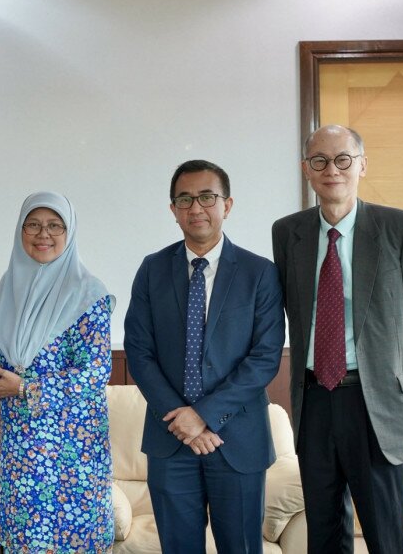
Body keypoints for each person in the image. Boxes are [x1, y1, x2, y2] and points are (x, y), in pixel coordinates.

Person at [272, 124, 403, 554]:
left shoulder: (401, 227)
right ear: (306, 170)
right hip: (314, 401)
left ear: (362, 164)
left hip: (377, 402)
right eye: (320, 160)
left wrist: (392, 379)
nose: (333, 169)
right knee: (324, 535)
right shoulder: (288, 232)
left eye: (343, 159)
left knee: (386, 534)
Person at [123, 160, 285, 553]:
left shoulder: (259, 272)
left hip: (238, 441)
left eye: (207, 197)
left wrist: (204, 416)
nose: (196, 208)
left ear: (226, 205)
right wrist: (182, 419)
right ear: (173, 209)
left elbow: (264, 358)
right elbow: (139, 351)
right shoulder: (152, 270)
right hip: (170, 439)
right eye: (185, 199)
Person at [0, 191, 115, 554]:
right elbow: (11, 362)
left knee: (70, 541)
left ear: (70, 233)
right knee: (25, 541)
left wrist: (26, 388)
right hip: (22, 443)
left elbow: (96, 372)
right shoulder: (10, 285)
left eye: (54, 225)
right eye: (32, 224)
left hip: (71, 448)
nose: (42, 234)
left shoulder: (88, 292)